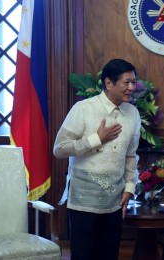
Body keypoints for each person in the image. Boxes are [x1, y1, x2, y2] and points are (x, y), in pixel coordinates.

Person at [53, 58, 141, 260]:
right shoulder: (83, 109)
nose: (131, 88)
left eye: (133, 82)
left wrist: (129, 188)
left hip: (114, 200)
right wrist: (96, 140)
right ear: (108, 83)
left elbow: (131, 155)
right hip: (83, 200)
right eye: (126, 83)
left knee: (109, 255)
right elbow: (59, 149)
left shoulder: (133, 113)